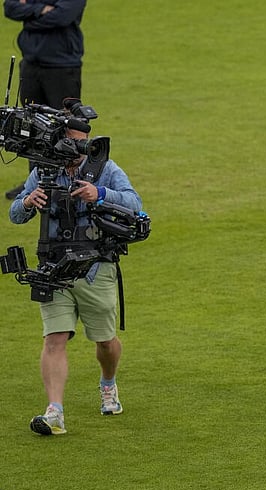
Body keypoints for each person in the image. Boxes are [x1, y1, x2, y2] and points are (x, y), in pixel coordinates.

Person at [9, 123, 143, 435]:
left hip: (95, 267)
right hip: (54, 267)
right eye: (73, 142)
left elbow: (135, 204)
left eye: (83, 142)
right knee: (54, 338)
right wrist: (28, 203)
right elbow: (15, 214)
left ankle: (108, 383)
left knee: (105, 341)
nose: (80, 149)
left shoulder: (105, 168)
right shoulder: (44, 169)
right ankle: (54, 411)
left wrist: (100, 193)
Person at [4, 0, 87, 200]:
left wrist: (29, 16)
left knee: (65, 126)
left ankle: (66, 181)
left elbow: (62, 17)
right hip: (31, 66)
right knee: (30, 126)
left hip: (62, 68)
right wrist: (41, 10)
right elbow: (10, 8)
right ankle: (35, 182)